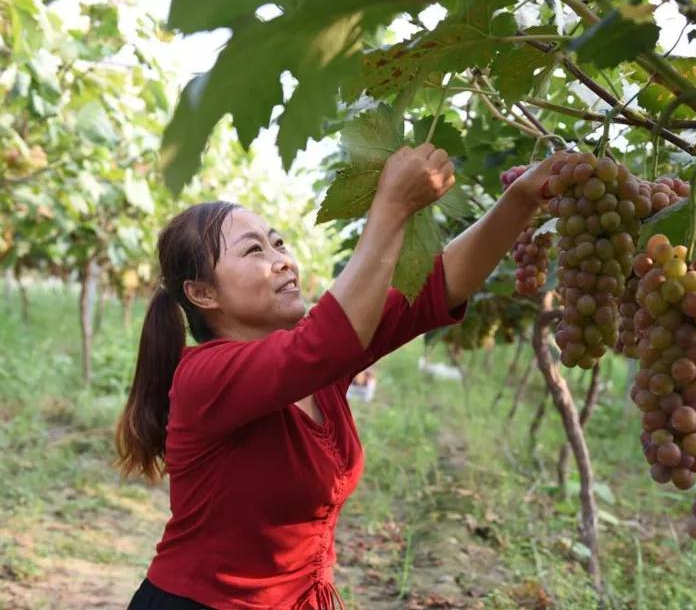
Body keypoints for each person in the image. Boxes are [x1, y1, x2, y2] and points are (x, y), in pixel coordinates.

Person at [117, 143, 562, 610]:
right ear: (202, 293)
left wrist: (522, 199)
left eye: (278, 242)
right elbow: (325, 341)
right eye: (253, 250)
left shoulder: (322, 372)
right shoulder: (204, 376)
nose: (283, 259)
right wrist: (391, 206)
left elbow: (439, 284)